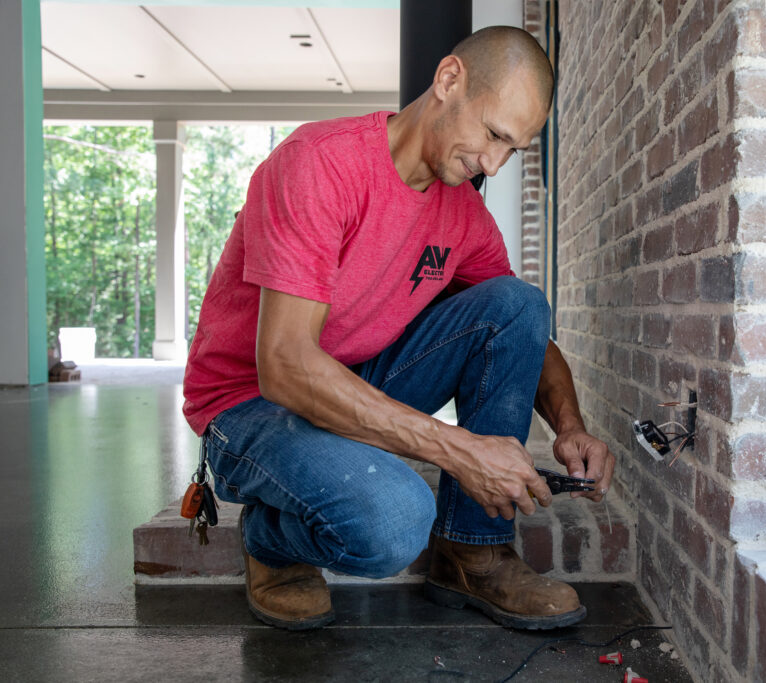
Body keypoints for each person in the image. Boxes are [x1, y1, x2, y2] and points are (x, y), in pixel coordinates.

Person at [182, 25, 614, 631]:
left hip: (355, 381)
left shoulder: (462, 210)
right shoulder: (319, 164)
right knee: (392, 525)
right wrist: (461, 450)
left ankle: (473, 550)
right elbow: (283, 365)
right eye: (492, 134)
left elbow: (523, 332)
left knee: (517, 302)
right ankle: (271, 540)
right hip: (249, 406)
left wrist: (570, 427)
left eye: (512, 149)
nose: (493, 162)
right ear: (448, 80)